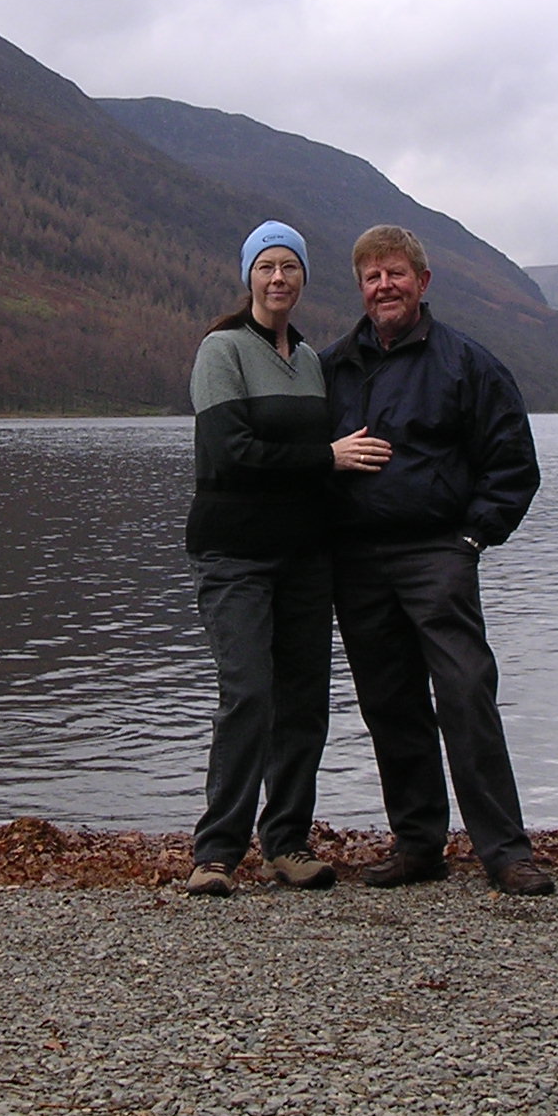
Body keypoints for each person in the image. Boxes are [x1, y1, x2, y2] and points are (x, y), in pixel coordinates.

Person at [321, 224, 554, 896]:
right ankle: (418, 843)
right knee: (390, 705)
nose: (383, 286)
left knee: (465, 693)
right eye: (371, 276)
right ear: (361, 289)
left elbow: (513, 465)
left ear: (423, 284)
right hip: (359, 562)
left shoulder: (468, 365)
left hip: (438, 554)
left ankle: (505, 852)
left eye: (395, 274)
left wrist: (474, 539)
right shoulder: (336, 366)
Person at [184, 219, 391, 897]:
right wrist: (325, 457)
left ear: (303, 278)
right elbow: (230, 454)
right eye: (267, 266)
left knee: (304, 704)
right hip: (234, 555)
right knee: (248, 694)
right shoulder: (222, 350)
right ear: (249, 276)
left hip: (304, 559)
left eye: (290, 267)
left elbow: (322, 466)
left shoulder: (309, 362)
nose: (279, 278)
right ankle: (215, 853)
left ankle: (287, 843)